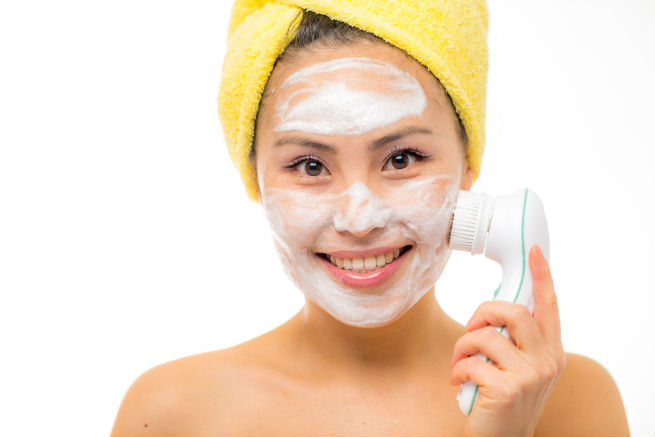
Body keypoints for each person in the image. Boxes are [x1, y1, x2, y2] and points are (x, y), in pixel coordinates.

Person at [111, 3, 630, 436]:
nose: (359, 221)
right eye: (310, 166)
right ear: (255, 179)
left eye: (401, 159)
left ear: (468, 163)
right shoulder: (171, 413)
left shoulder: (573, 403)